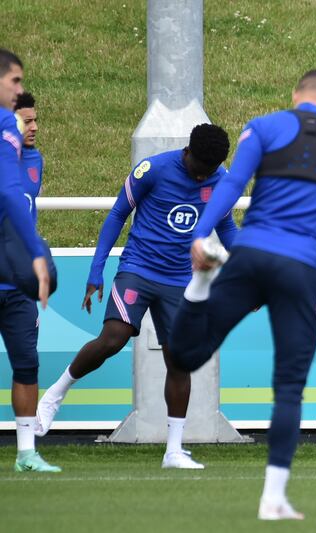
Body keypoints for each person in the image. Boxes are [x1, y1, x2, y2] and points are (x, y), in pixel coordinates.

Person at [167, 70, 316, 520]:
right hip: (301, 268)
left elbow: (233, 185)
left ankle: (199, 284)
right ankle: (272, 497)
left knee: (185, 356)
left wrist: (200, 233)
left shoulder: (264, 125)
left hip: (249, 256)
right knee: (289, 387)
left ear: (296, 97)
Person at [35, 124, 237, 470]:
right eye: (200, 167)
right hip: (139, 269)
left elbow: (228, 228)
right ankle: (56, 393)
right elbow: (117, 214)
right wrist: (96, 270)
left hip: (179, 280)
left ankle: (173, 451)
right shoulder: (153, 170)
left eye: (211, 169)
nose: (204, 175)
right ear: (187, 152)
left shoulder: (221, 180)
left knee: (179, 360)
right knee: (114, 338)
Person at [0, 52, 52, 472]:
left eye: (35, 121)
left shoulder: (35, 161)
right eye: (26, 120)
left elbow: (24, 213)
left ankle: (26, 453)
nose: (32, 128)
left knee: (27, 363)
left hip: (16, 284)